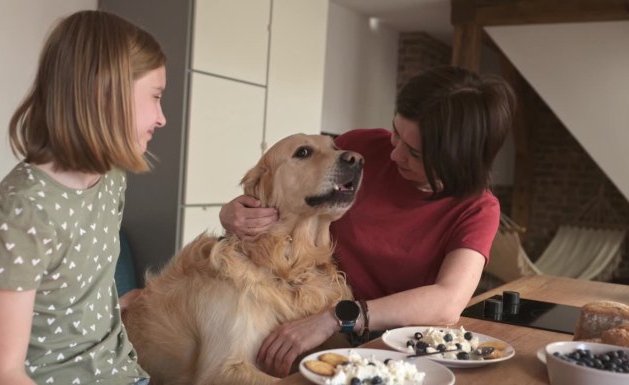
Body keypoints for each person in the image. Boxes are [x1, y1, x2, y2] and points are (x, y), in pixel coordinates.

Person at [219, 65, 516, 376]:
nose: (394, 155)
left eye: (414, 152)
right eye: (395, 133)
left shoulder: (477, 209)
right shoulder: (360, 147)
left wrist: (336, 317)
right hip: (299, 308)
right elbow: (285, 198)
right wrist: (233, 213)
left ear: (457, 162)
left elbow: (448, 301)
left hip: (389, 347)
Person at [0, 10, 166, 385]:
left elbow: (78, 280)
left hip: (123, 371)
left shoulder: (112, 178)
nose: (162, 118)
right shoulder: (20, 212)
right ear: (104, 94)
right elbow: (0, 374)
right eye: (155, 97)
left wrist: (114, 302)